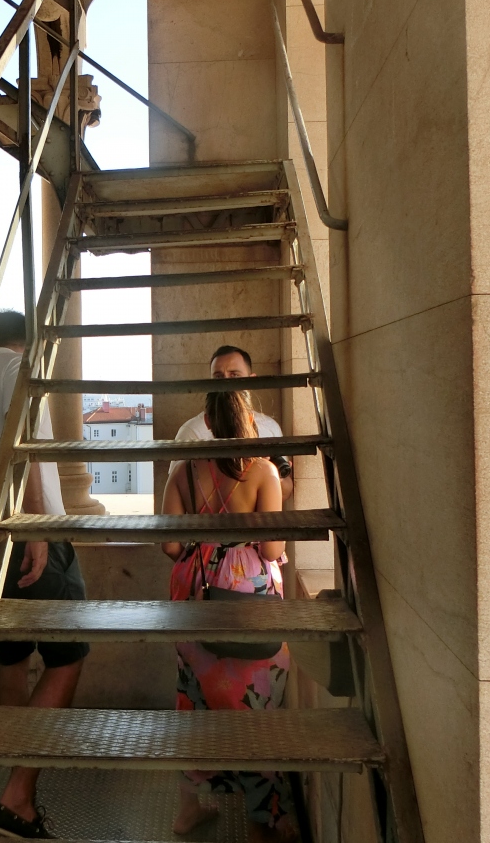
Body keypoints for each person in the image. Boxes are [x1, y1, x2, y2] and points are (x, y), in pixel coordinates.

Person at [0, 310, 89, 839]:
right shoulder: (16, 369)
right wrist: (34, 526)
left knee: (11, 657)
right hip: (28, 535)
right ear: (26, 344)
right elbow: (23, 437)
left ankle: (18, 787)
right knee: (69, 656)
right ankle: (16, 795)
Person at [161, 388, 296, 843]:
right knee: (256, 704)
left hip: (195, 590)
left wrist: (205, 551)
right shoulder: (264, 471)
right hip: (247, 591)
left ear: (208, 421)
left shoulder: (183, 471)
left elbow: (171, 545)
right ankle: (262, 820)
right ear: (248, 419)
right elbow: (272, 548)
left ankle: (188, 810)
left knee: (194, 698)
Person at [172, 345, 293, 502]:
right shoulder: (192, 431)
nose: (226, 383)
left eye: (234, 375)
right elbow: (180, 490)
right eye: (218, 377)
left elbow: (285, 493)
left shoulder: (270, 427)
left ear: (252, 381)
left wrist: (270, 472)